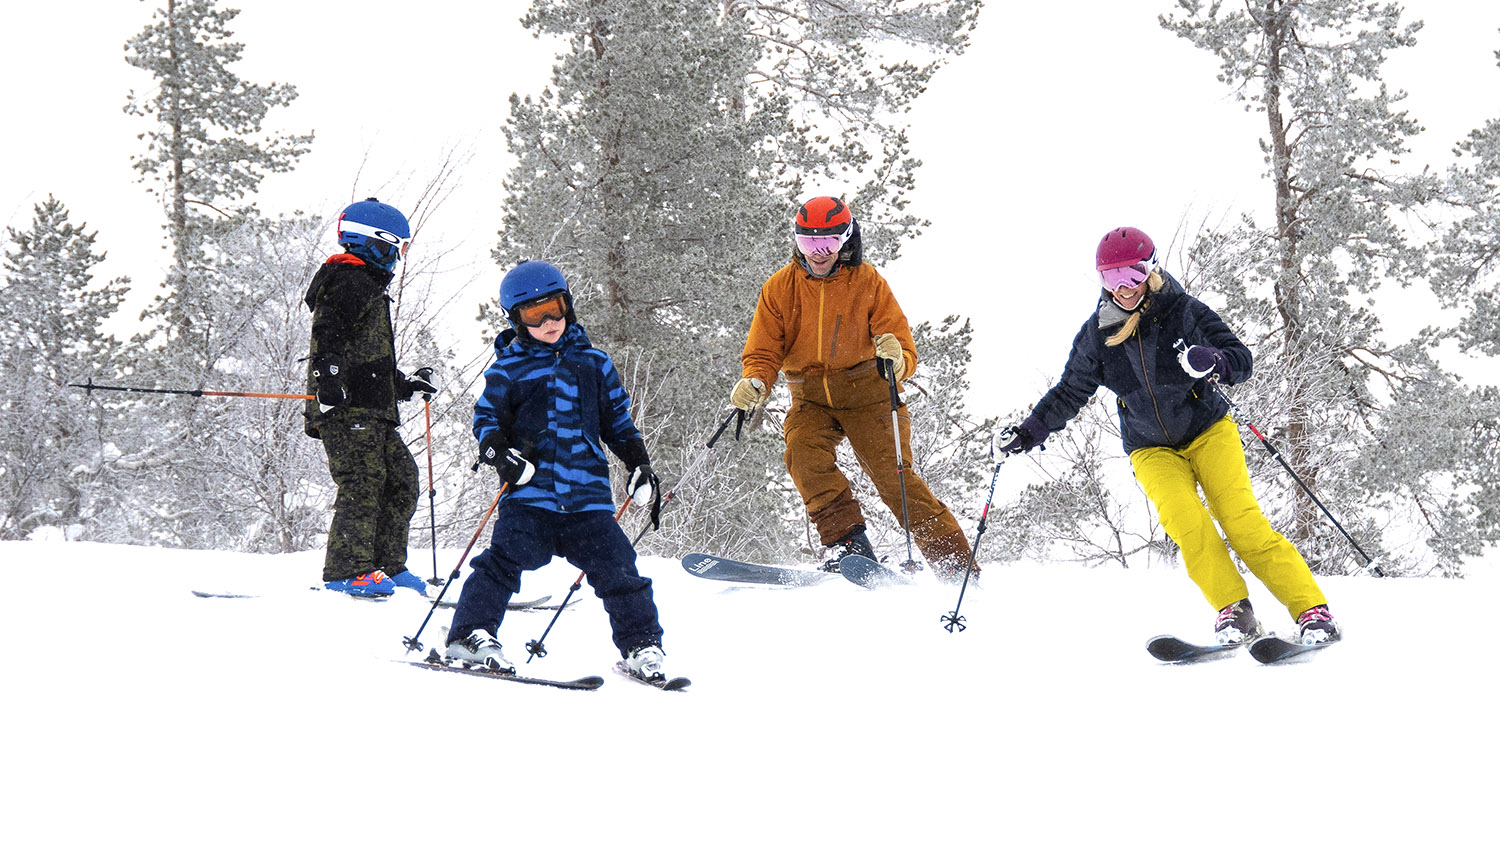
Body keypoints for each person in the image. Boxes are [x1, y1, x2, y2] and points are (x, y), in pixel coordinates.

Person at [996, 226, 1339, 645]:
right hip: (1151, 448)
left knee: (1242, 523)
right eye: (1110, 278)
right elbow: (1070, 389)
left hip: (1208, 431)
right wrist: (1030, 431)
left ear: (1151, 269)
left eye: (1132, 275)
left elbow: (1240, 359)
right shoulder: (1098, 334)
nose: (1122, 288)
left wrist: (1213, 360)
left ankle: (1311, 610)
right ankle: (1235, 611)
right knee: (1187, 524)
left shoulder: (1184, 312)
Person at [445, 260, 670, 682]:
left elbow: (618, 423)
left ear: (568, 305)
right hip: (531, 493)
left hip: (587, 497)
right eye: (535, 314)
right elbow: (486, 421)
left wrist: (639, 464)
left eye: (556, 307)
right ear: (516, 318)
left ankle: (641, 645)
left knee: (620, 568)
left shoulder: (594, 364)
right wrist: (498, 452)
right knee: (501, 563)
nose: (550, 321)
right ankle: (471, 633)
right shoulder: (507, 370)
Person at [732, 196, 973, 580]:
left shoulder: (868, 282)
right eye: (809, 244)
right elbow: (763, 349)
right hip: (810, 397)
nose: (819, 253)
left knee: (896, 480)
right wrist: (756, 380)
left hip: (868, 395)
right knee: (803, 455)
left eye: (828, 242)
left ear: (846, 239)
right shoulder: (780, 288)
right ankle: (848, 545)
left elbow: (900, 344)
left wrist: (897, 360)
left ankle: (956, 568)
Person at [303, 197, 436, 598]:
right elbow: (329, 335)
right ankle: (347, 570)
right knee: (364, 479)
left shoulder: (368, 286)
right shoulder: (348, 279)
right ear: (375, 241)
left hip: (373, 409)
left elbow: (369, 360)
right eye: (397, 246)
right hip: (345, 407)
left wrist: (404, 385)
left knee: (400, 478)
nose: (398, 256)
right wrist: (327, 379)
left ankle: (387, 566)